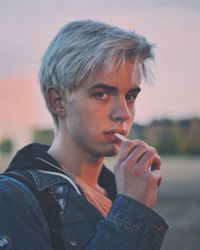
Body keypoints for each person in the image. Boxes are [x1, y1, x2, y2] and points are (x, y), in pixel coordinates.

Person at [0, 20, 168, 249]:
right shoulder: (10, 199)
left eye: (130, 96)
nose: (124, 113)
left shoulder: (119, 189)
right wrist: (131, 209)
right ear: (58, 101)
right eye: (101, 94)